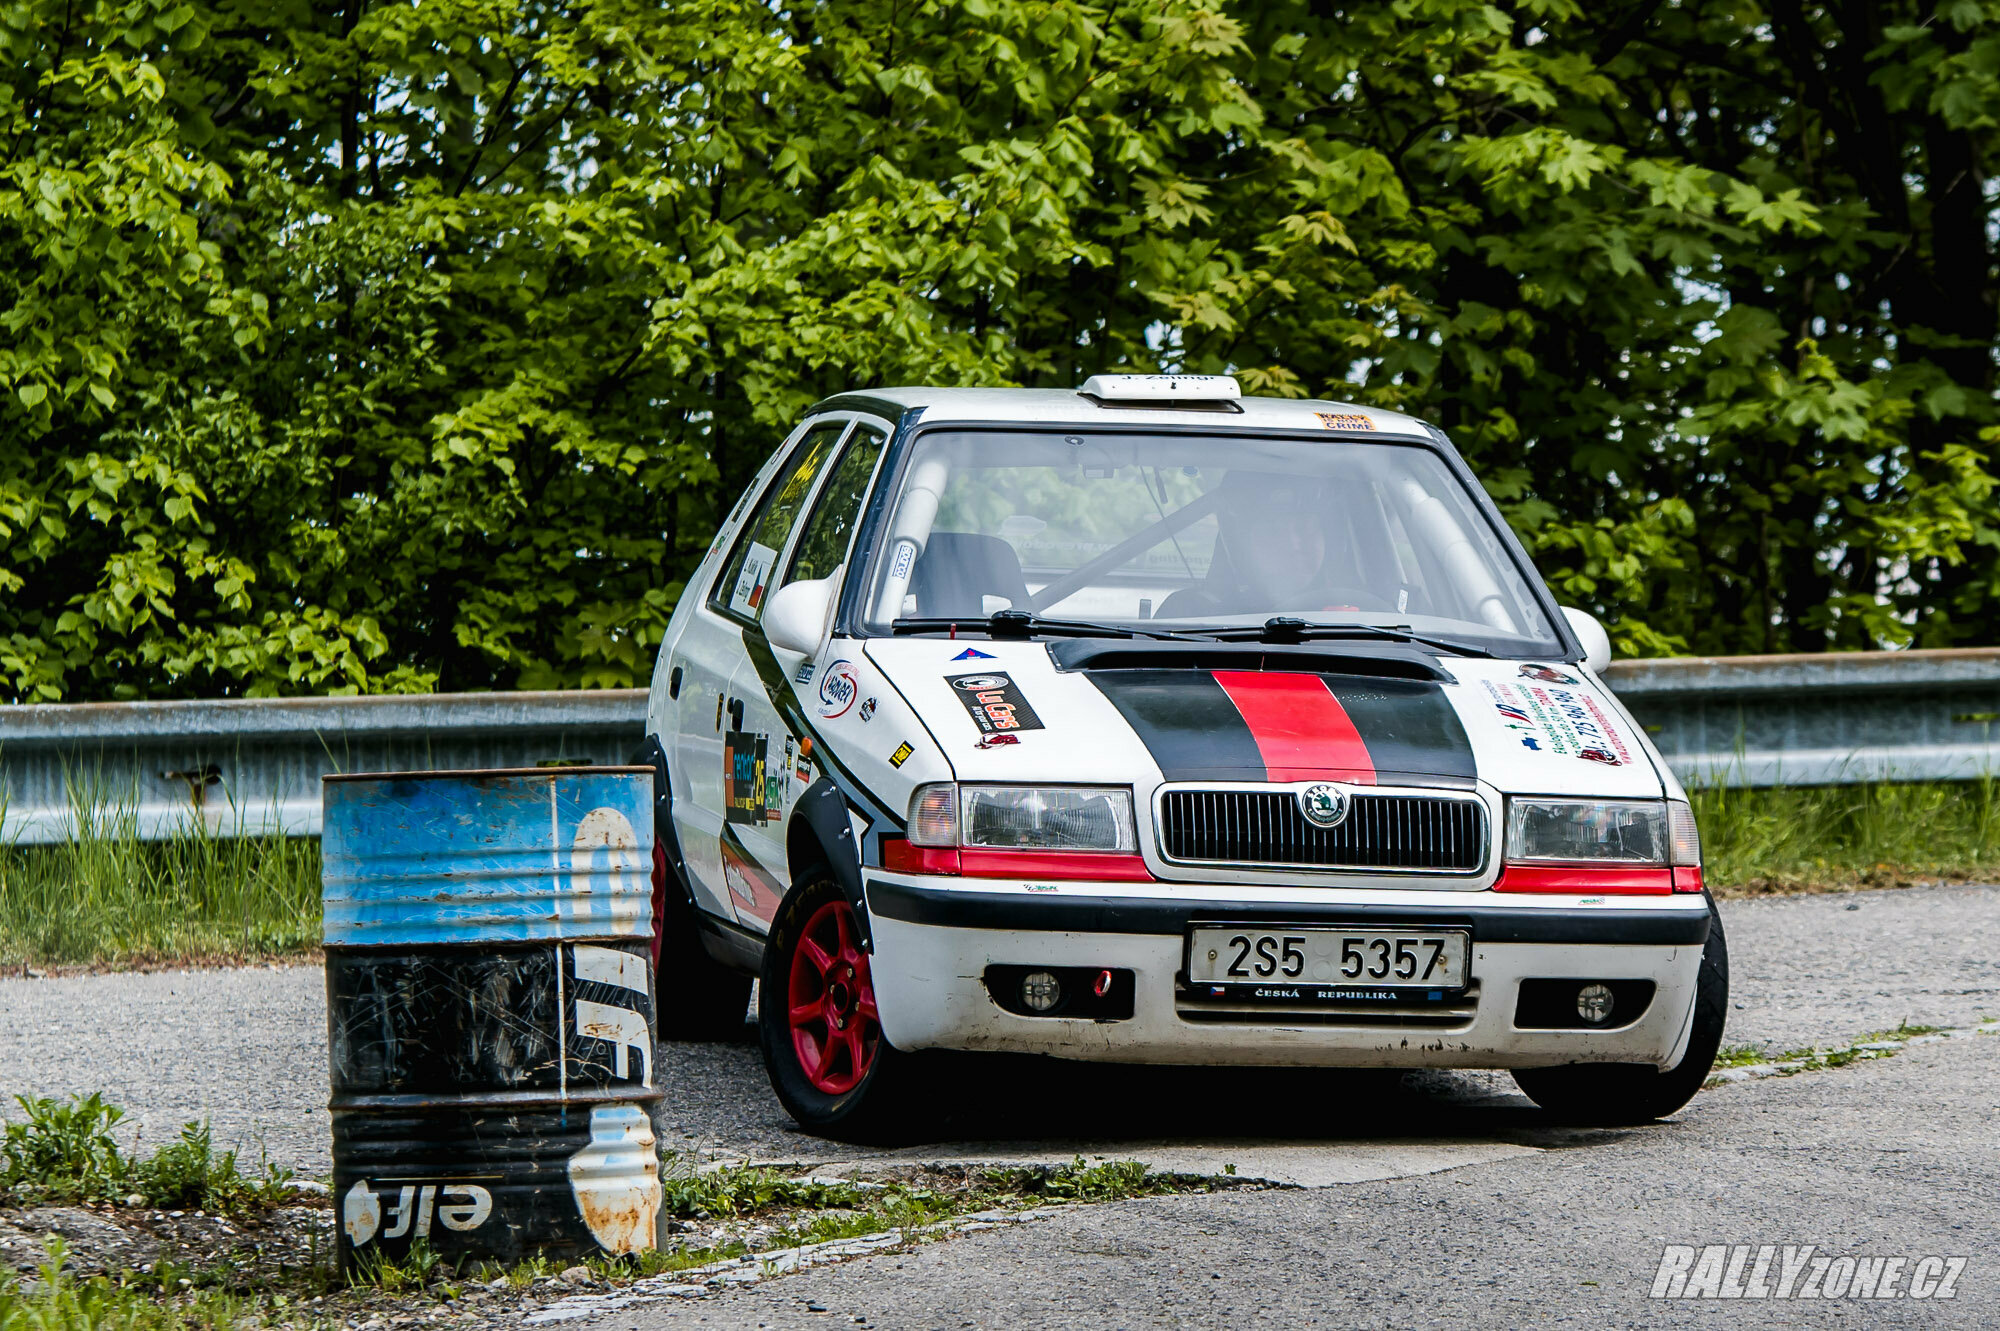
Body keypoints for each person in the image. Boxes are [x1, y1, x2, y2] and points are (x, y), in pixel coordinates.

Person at [1155, 470, 1390, 619]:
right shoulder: (1188, 618)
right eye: (1273, 531)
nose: (1295, 544)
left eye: (1306, 528)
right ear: (1240, 546)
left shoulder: (1374, 619)